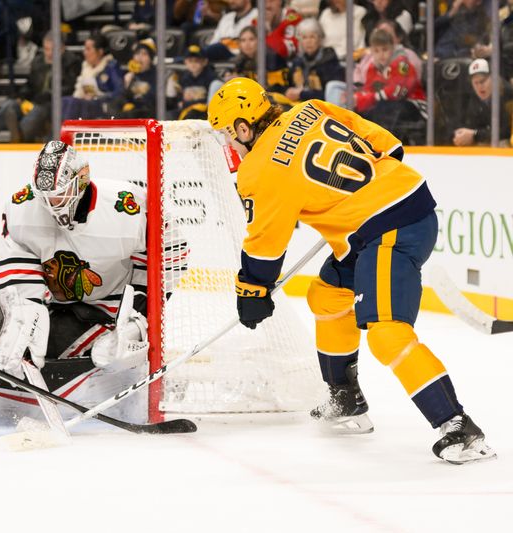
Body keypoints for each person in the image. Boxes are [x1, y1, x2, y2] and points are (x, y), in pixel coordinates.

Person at [206, 77, 496, 464]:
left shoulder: (259, 169)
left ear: (244, 126)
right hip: (396, 210)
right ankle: (345, 400)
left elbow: (265, 244)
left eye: (228, 133)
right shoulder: (308, 108)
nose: (229, 143)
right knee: (326, 295)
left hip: (390, 230)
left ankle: (459, 426)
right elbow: (389, 145)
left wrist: (252, 290)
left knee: (387, 333)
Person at [0, 141, 186, 420]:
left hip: (110, 306)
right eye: (44, 196)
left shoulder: (127, 206)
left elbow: (173, 248)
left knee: (67, 347)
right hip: (55, 302)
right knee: (2, 341)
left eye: (59, 195)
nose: (50, 204)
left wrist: (139, 313)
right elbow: (17, 255)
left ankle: (142, 378)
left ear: (81, 180)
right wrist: (23, 307)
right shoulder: (23, 205)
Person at [0, 31, 81, 143]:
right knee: (11, 104)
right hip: (34, 101)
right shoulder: (38, 61)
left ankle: (21, 134)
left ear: (61, 49)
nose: (48, 53)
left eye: (52, 49)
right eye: (46, 49)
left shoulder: (72, 62)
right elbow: (30, 84)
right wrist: (21, 94)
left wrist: (47, 95)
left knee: (39, 109)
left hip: (54, 105)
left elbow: (70, 88)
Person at [352, 28, 425, 140]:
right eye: (376, 51)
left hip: (415, 104)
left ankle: (386, 144)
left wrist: (369, 98)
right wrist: (357, 98)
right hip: (390, 105)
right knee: (362, 112)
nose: (381, 55)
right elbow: (369, 89)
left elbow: (397, 92)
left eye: (385, 49)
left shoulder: (402, 64)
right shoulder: (373, 68)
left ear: (392, 47)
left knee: (384, 107)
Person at [62, 35, 125, 121]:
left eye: (88, 49)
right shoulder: (85, 67)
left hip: (103, 106)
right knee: (65, 101)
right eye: (84, 49)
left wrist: (97, 98)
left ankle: (66, 131)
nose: (84, 52)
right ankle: (60, 131)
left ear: (100, 51)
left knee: (74, 103)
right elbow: (78, 92)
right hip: (85, 104)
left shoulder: (111, 67)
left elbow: (119, 92)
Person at [452, 58, 513, 147]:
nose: (480, 86)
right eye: (475, 83)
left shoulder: (507, 94)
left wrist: (475, 135)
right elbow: (471, 125)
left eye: (483, 81)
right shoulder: (472, 96)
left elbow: (506, 131)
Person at [286, 17, 343, 103]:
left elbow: (330, 95)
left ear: (320, 39)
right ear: (300, 41)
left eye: (312, 37)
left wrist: (302, 94)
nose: (308, 41)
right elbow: (288, 85)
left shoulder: (329, 60)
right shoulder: (297, 61)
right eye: (304, 38)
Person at [168, 44, 219, 120]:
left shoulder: (211, 78)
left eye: (197, 61)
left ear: (205, 62)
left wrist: (186, 104)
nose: (193, 64)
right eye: (190, 61)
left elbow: (209, 102)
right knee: (168, 115)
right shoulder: (183, 77)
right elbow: (179, 101)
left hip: (203, 113)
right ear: (185, 62)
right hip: (185, 111)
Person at [115, 38, 158, 119]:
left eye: (144, 54)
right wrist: (127, 84)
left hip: (149, 112)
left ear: (151, 58)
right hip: (131, 113)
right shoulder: (129, 75)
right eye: (137, 53)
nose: (139, 57)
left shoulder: (157, 75)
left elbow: (154, 98)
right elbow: (121, 97)